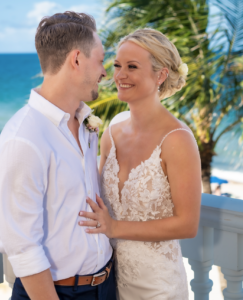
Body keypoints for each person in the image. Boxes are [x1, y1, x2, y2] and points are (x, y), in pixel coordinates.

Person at [0, 12, 116, 300]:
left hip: (106, 286)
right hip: (58, 294)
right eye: (101, 60)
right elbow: (23, 248)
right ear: (77, 60)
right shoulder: (23, 141)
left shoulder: (86, 125)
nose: (105, 71)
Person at [79, 28, 202, 299]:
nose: (120, 75)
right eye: (117, 66)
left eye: (132, 67)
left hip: (158, 287)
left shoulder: (177, 140)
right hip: (109, 281)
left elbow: (188, 224)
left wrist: (115, 228)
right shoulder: (112, 130)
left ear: (160, 75)